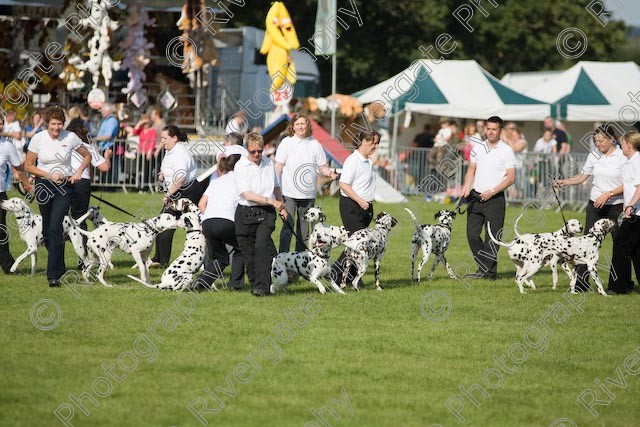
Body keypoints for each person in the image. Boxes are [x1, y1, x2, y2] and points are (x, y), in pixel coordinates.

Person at [23, 107, 91, 287]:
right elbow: (29, 165)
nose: (56, 128)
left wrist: (78, 172)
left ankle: (53, 275)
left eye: (59, 124)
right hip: (44, 186)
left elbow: (87, 155)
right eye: (53, 124)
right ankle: (59, 266)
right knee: (47, 232)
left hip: (64, 188)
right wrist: (47, 175)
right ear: (47, 123)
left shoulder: (70, 137)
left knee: (55, 227)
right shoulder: (38, 138)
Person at [553, 124, 625, 291]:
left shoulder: (622, 156)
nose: (598, 144)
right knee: (586, 244)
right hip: (595, 205)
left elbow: (628, 183)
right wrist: (565, 182)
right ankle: (581, 285)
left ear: (611, 139)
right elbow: (583, 176)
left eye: (601, 141)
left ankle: (619, 285)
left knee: (620, 244)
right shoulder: (594, 155)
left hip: (616, 206)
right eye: (595, 141)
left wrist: (608, 194)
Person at [461, 116, 516, 280]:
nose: (490, 132)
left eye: (494, 129)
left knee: (492, 238)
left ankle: (488, 273)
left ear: (500, 130)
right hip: (475, 197)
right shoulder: (477, 148)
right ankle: (485, 268)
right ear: (484, 129)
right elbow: (471, 170)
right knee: (472, 235)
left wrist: (492, 191)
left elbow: (511, 178)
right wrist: (466, 186)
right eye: (488, 129)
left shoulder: (506, 150)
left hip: (495, 200)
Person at [275, 113, 338, 252]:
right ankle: (282, 261)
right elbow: (278, 166)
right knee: (287, 229)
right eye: (297, 124)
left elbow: (322, 167)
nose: (300, 126)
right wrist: (275, 188)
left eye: (303, 123)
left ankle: (301, 262)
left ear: (308, 125)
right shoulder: (286, 142)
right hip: (288, 193)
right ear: (293, 126)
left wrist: (331, 174)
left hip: (308, 195)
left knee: (304, 232)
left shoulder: (315, 144)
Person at [234, 132, 287, 296]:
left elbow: (276, 187)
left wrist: (281, 206)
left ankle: (262, 287)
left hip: (266, 212)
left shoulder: (268, 163)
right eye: (253, 151)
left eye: (260, 151)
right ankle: (256, 283)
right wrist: (271, 201)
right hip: (246, 211)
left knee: (261, 246)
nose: (257, 154)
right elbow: (247, 195)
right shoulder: (240, 166)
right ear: (246, 150)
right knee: (249, 252)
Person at [330, 130, 380, 286]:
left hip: (365, 206)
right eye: (374, 143)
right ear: (364, 141)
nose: (376, 146)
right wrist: (360, 201)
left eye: (378, 143)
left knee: (357, 243)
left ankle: (345, 276)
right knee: (357, 244)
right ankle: (339, 276)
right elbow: (344, 184)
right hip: (352, 206)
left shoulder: (368, 161)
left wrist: (367, 204)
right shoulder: (353, 160)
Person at [194, 145, 246, 291]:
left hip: (208, 222)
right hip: (227, 221)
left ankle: (202, 281)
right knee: (241, 248)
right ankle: (235, 285)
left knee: (220, 257)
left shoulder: (217, 181)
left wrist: (211, 218)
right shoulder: (242, 181)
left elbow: (201, 203)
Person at [150, 125, 200, 266]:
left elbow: (181, 177)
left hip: (187, 191)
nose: (162, 141)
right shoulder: (170, 150)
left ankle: (161, 260)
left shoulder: (180, 153)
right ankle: (159, 259)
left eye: (165, 138)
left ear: (174, 138)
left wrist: (168, 194)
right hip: (178, 190)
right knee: (163, 221)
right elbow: (170, 170)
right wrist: (163, 175)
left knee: (167, 222)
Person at [66, 121, 112, 261]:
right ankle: (84, 259)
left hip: (63, 180)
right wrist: (108, 156)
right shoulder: (87, 146)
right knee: (80, 218)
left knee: (60, 220)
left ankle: (57, 263)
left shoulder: (64, 144)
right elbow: (104, 167)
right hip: (82, 182)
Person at [608, 131, 640, 295]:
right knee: (636, 250)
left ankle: (617, 287)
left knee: (620, 246)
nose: (621, 146)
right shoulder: (630, 161)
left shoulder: (637, 161)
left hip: (636, 214)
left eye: (622, 144)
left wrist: (630, 206)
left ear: (629, 144)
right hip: (633, 212)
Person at [0, 116, 32, 274]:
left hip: (0, 194)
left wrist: (27, 185)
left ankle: (8, 267)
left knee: (1, 232)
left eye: (1, 123)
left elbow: (18, 168)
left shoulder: (7, 146)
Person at [94, 103, 119, 183]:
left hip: (108, 147)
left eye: (103, 111)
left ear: (108, 110)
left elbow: (108, 136)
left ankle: (108, 184)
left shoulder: (112, 120)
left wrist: (95, 139)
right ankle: (103, 183)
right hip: (103, 147)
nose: (101, 112)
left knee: (108, 167)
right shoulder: (105, 120)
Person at [131, 114, 157, 189]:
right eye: (144, 123)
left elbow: (152, 142)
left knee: (147, 170)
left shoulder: (152, 131)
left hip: (148, 153)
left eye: (146, 123)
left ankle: (145, 187)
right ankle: (138, 185)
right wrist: (140, 123)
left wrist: (149, 152)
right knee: (138, 169)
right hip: (140, 153)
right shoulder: (141, 130)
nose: (145, 125)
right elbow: (134, 131)